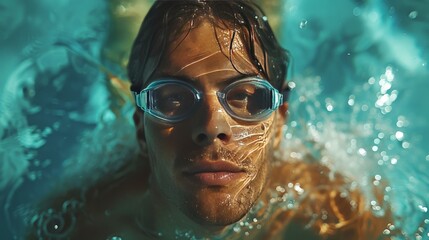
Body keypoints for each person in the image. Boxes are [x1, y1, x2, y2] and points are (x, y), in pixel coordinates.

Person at [27, 1, 392, 239]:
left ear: (280, 121)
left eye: (247, 98)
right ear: (141, 127)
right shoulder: (85, 223)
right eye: (172, 100)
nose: (213, 125)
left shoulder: (338, 209)